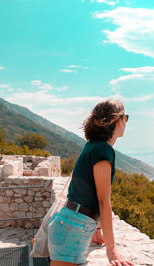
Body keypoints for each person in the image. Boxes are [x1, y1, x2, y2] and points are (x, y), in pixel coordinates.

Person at [47, 99, 134, 266]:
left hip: (68, 225)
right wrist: (111, 249)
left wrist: (97, 230)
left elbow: (89, 193)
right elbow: (103, 200)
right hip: (72, 231)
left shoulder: (93, 146)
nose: (126, 122)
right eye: (125, 117)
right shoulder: (103, 150)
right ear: (115, 120)